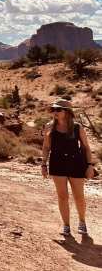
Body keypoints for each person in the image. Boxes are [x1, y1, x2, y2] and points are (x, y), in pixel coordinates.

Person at [41, 100, 96, 236]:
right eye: (53, 109)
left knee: (79, 196)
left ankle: (82, 222)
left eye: (58, 110)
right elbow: (46, 147)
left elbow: (86, 147)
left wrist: (90, 166)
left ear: (67, 112)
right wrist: (43, 164)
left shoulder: (77, 127)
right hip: (57, 163)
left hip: (76, 163)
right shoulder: (49, 127)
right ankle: (66, 225)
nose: (55, 112)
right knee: (62, 196)